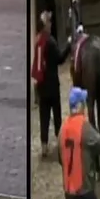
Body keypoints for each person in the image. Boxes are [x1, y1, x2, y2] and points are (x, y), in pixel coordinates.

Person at [32, 10, 69, 158]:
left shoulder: (38, 40)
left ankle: (44, 145)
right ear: (46, 24)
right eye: (50, 21)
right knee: (57, 114)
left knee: (44, 116)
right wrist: (69, 45)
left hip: (42, 84)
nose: (51, 24)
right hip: (52, 84)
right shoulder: (51, 41)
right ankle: (60, 142)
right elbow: (60, 59)